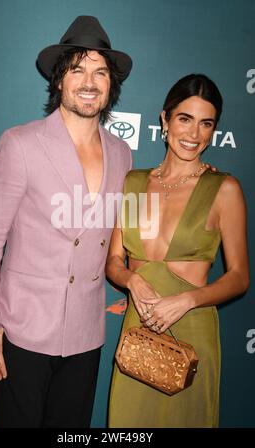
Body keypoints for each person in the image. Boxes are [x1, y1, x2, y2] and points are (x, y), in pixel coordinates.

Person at [0, 16, 133, 428]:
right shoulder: (20, 144)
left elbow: (117, 234)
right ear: (60, 80)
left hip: (85, 332)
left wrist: (132, 283)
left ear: (111, 84)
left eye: (100, 71)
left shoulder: (122, 152)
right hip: (22, 330)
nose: (89, 81)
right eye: (77, 69)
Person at [106, 74, 249, 428]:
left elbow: (239, 277)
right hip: (139, 323)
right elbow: (113, 260)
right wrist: (132, 282)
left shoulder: (224, 189)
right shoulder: (133, 183)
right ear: (164, 119)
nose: (194, 134)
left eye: (206, 124)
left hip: (191, 328)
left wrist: (186, 301)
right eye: (185, 119)